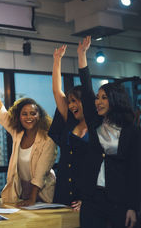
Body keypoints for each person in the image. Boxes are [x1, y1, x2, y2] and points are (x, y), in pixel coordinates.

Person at [77, 36, 140, 228]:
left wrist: (133, 207)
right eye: (98, 97)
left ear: (115, 100)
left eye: (103, 97)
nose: (98, 101)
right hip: (92, 198)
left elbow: (135, 171)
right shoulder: (95, 122)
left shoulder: (132, 132)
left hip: (119, 200)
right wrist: (81, 55)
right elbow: (86, 91)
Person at [0, 62, 56, 206]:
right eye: (24, 114)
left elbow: (41, 173)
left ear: (39, 115)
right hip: (21, 189)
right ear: (19, 117)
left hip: (42, 190)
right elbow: (0, 110)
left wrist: (32, 198)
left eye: (33, 113)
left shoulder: (47, 138)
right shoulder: (18, 133)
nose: (29, 117)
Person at [48, 44, 88, 210]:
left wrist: (81, 55)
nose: (71, 105)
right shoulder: (69, 122)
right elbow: (57, 91)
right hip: (64, 187)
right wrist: (57, 60)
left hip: (86, 193)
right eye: (70, 102)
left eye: (75, 101)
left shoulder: (97, 127)